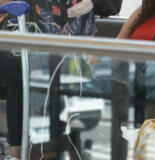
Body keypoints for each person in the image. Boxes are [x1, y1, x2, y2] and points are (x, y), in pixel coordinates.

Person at [0, 0, 96, 159]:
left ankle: (27, 153)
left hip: (56, 54)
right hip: (29, 49)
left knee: (26, 79)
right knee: (21, 76)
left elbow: (91, 48)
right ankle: (25, 153)